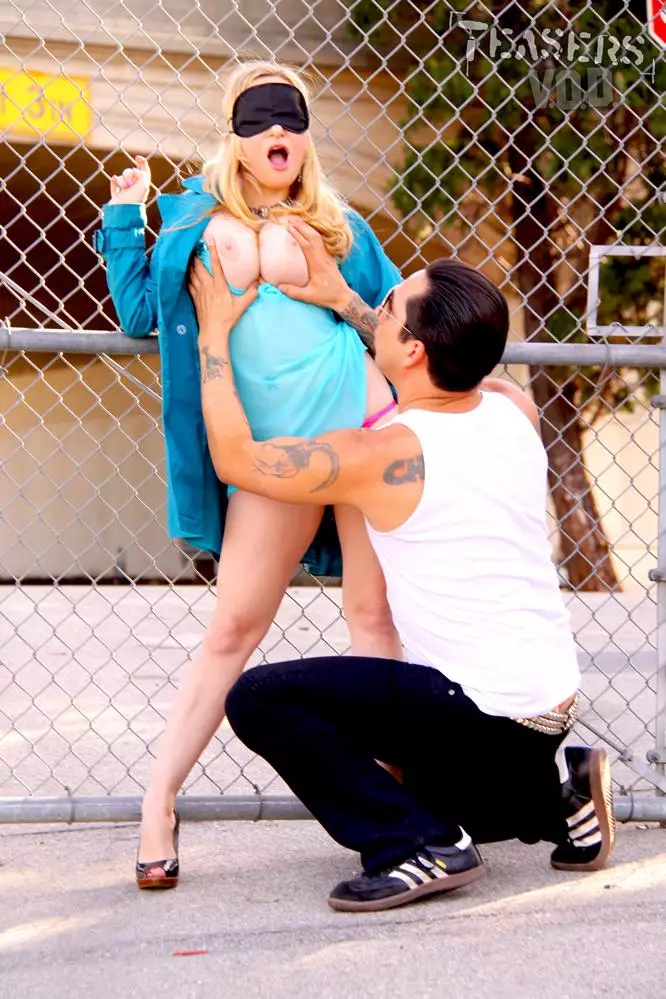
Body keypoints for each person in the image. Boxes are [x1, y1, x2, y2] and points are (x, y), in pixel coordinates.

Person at [185, 242, 616, 912]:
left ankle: (418, 845)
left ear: (415, 349)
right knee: (432, 780)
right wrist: (347, 301)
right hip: (548, 707)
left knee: (260, 698)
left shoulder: (385, 454)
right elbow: (433, 365)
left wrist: (212, 332)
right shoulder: (511, 408)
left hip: (478, 718)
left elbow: (237, 459)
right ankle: (558, 795)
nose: (377, 309)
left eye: (388, 305)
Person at [93, 60, 405, 890]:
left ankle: (397, 807)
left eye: (291, 116)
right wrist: (125, 215)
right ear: (233, 133)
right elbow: (137, 313)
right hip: (269, 457)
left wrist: (339, 295)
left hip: (364, 431)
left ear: (306, 134)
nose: (277, 131)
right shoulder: (193, 223)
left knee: (374, 617)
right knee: (232, 628)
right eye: (260, 116)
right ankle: (158, 802)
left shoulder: (341, 224)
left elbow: (393, 332)